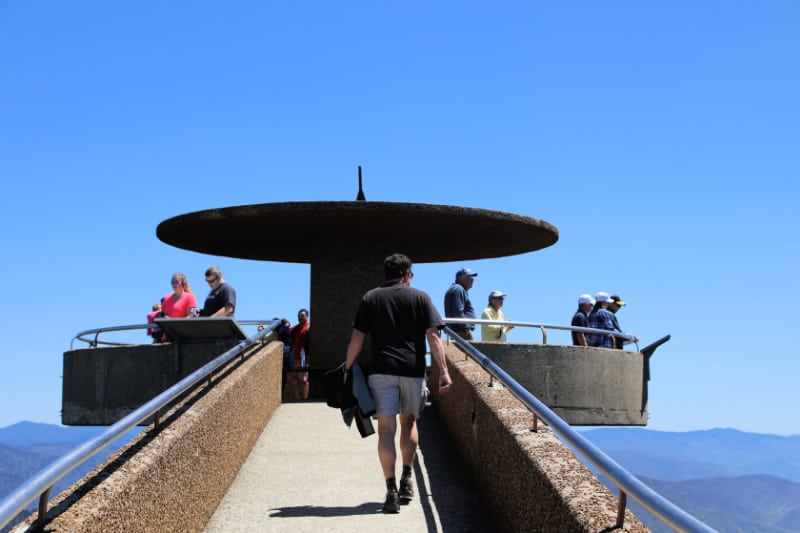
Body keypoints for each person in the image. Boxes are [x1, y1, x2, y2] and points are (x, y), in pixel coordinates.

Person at [344, 253, 452, 514]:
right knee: (410, 422)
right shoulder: (419, 297)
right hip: (412, 371)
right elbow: (434, 337)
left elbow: (358, 336)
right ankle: (407, 477)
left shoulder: (371, 298)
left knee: (386, 430)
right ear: (406, 274)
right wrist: (444, 372)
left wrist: (347, 368)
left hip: (381, 371)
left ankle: (390, 489)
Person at [444, 267, 478, 339]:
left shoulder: (456, 289)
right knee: (468, 350)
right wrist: (466, 327)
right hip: (462, 332)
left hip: (459, 332)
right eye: (469, 277)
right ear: (460, 278)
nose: (472, 279)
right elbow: (457, 311)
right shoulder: (458, 289)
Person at [287, 309, 311, 400]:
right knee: (292, 381)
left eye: (302, 315)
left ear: (307, 316)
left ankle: (305, 400)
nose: (300, 317)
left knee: (304, 381)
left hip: (304, 359)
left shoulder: (309, 328)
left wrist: (308, 360)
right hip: (294, 358)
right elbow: (287, 332)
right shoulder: (295, 328)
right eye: (299, 316)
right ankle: (296, 400)